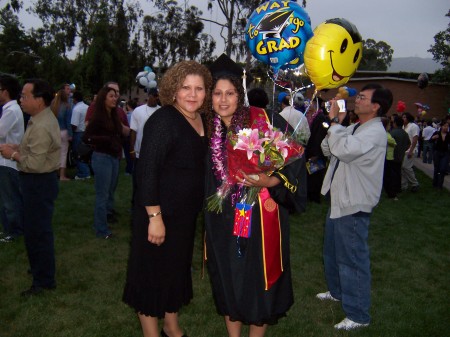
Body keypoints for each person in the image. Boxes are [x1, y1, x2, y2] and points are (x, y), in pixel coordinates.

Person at [204, 54, 306, 337]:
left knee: (257, 280)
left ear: (241, 93)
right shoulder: (203, 128)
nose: (223, 100)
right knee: (227, 277)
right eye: (217, 93)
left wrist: (269, 179)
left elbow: (293, 159)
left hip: (260, 217)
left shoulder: (262, 119)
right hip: (221, 219)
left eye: (230, 93)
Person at [123, 60, 212, 337]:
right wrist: (154, 217)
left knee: (174, 272)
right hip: (158, 215)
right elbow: (147, 171)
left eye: (199, 88)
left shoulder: (202, 119)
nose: (192, 94)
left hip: (184, 217)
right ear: (173, 89)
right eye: (186, 87)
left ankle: (171, 327)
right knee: (150, 275)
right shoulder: (163, 120)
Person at [317, 83, 393, 330]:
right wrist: (334, 127)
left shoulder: (374, 133)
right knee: (332, 252)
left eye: (361, 97)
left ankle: (358, 315)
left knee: (352, 259)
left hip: (354, 203)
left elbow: (345, 151)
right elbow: (329, 149)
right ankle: (337, 291)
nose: (356, 100)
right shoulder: (355, 127)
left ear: (375, 106)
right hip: (340, 198)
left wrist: (336, 127)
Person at [0, 78, 60, 296]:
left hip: (38, 182)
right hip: (38, 182)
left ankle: (43, 280)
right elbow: (35, 150)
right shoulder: (38, 119)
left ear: (40, 100)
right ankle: (39, 268)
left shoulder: (42, 124)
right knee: (36, 230)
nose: (21, 99)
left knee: (38, 232)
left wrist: (12, 154)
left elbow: (34, 163)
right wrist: (19, 146)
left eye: (25, 96)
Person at [83, 86, 129, 239]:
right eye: (111, 96)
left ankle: (105, 218)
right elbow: (87, 137)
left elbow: (121, 133)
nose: (115, 99)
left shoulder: (114, 115)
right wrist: (106, 140)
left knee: (110, 190)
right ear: (104, 98)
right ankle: (101, 229)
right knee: (102, 194)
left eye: (116, 96)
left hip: (114, 157)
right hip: (102, 157)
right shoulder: (98, 117)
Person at [0, 74, 24, 243]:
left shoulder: (12, 110)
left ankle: (15, 230)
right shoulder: (9, 109)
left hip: (8, 162)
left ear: (5, 91)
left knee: (10, 199)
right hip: (4, 160)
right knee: (5, 198)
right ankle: (9, 228)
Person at [129, 88, 160, 206]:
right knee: (137, 181)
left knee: (152, 182)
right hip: (139, 153)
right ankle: (135, 204)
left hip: (155, 154)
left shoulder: (161, 111)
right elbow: (133, 131)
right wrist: (131, 149)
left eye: (158, 96)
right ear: (149, 96)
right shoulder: (138, 111)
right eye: (154, 95)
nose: (156, 98)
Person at [305, 97, 328, 203]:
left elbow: (320, 137)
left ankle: (315, 196)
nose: (309, 105)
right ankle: (311, 194)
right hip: (311, 150)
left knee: (316, 174)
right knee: (311, 174)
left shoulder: (321, 118)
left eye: (311, 103)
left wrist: (315, 153)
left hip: (317, 152)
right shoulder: (312, 117)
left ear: (316, 104)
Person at [51, 88, 72, 180]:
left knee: (54, 152)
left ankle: (54, 172)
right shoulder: (67, 106)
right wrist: (70, 134)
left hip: (54, 131)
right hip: (63, 131)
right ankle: (62, 175)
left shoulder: (53, 106)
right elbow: (68, 122)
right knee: (63, 153)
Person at [70, 91, 91, 180]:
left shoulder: (76, 109)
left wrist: (71, 133)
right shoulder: (87, 107)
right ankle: (85, 170)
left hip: (78, 133)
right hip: (87, 132)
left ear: (74, 99)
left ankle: (83, 173)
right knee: (85, 152)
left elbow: (74, 124)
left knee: (78, 153)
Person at [389, 116, 410, 198]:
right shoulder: (405, 133)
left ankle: (393, 189)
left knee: (392, 173)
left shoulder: (392, 133)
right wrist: (403, 149)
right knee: (398, 172)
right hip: (400, 156)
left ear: (395, 123)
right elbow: (409, 144)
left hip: (392, 156)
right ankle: (398, 187)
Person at [401, 112, 420, 192]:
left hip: (411, 150)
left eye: (404, 117)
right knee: (402, 168)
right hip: (404, 149)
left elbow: (415, 139)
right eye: (402, 117)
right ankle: (403, 185)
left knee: (406, 167)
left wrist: (411, 151)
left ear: (408, 118)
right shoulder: (402, 126)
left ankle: (415, 183)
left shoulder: (414, 126)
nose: (403, 118)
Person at [381, 117, 398, 199]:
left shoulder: (384, 133)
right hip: (388, 157)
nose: (390, 126)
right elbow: (394, 143)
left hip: (385, 157)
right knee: (389, 177)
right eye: (389, 124)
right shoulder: (386, 134)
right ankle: (391, 194)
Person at [431, 120, 449, 189]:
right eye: (445, 126)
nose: (446, 127)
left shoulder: (448, 135)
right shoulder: (437, 133)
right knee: (437, 168)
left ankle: (440, 185)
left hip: (445, 153)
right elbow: (430, 140)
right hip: (437, 153)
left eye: (447, 126)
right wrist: (433, 138)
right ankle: (435, 183)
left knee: (442, 169)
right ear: (441, 126)